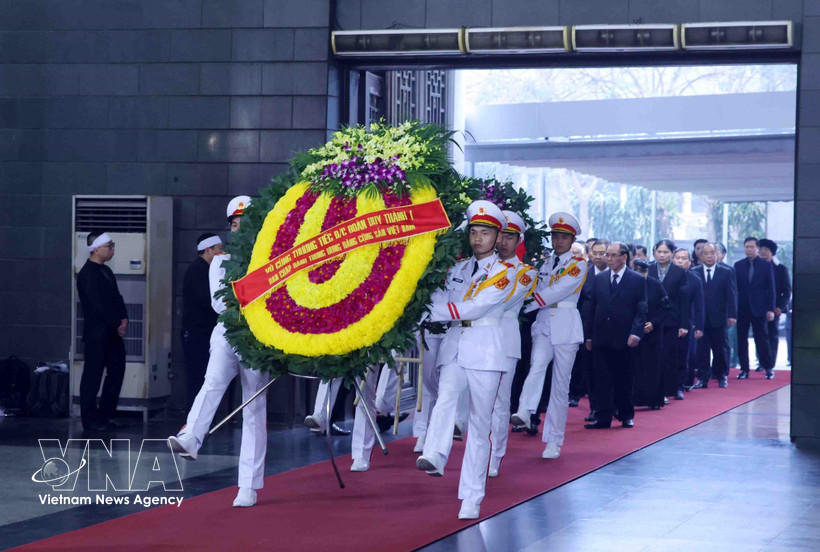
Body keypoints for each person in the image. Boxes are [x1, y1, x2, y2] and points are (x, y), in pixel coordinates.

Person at [416, 200, 516, 520]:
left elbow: (475, 307)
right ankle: (434, 454)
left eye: (485, 232)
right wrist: (430, 302)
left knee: (479, 424)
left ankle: (472, 495)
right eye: (474, 231)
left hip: (486, 350)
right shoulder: (457, 268)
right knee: (444, 397)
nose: (477, 238)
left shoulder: (505, 273)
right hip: (455, 345)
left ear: (497, 237)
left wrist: (432, 311)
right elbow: (440, 295)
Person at [169, 196, 271, 508]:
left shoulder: (268, 256)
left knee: (253, 407)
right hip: (227, 333)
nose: (239, 230)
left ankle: (248, 486)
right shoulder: (221, 262)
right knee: (211, 382)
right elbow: (219, 302)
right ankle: (192, 437)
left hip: (257, 337)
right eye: (235, 225)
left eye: (245, 224)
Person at [512, 212, 586, 460]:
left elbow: (555, 292)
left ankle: (554, 440)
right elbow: (536, 287)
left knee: (560, 387)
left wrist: (523, 307)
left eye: (564, 237)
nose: (558, 241)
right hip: (544, 323)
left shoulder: (579, 265)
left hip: (565, 324)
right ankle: (525, 410)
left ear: (572, 239)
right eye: (555, 236)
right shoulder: (543, 263)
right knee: (537, 365)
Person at [487, 210, 537, 476]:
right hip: (479, 340)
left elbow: (501, 302)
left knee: (500, 401)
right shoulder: (483, 266)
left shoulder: (525, 273)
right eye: (501, 235)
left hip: (505, 340)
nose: (504, 241)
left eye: (510, 236)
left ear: (519, 240)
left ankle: (496, 455)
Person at [583, 242, 646, 429]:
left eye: (611, 255)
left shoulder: (636, 279)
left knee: (624, 378)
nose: (607, 259)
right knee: (601, 378)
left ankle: (626, 414)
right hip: (601, 336)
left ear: (624, 257)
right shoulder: (599, 278)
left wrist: (636, 333)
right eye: (606, 255)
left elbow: (641, 309)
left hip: (625, 337)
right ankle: (603, 417)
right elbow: (591, 307)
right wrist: (589, 336)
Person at [76, 231, 128, 431]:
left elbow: (116, 297)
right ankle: (89, 419)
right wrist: (117, 323)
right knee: (93, 375)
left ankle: (106, 415)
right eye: (109, 246)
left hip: (113, 333)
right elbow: (98, 306)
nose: (113, 249)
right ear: (96, 248)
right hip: (97, 334)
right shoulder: (87, 274)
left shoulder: (106, 271)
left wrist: (124, 319)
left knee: (116, 372)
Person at [181, 233, 223, 410]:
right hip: (196, 333)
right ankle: (192, 419)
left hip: (204, 332)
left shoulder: (206, 269)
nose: (222, 253)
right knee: (197, 376)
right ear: (208, 250)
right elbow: (205, 300)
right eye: (219, 250)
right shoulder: (197, 270)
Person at [649, 239, 690, 401]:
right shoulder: (649, 269)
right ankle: (652, 390)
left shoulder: (679, 272)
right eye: (659, 251)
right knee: (653, 357)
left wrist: (684, 324)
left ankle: (671, 389)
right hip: (651, 320)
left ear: (672, 254)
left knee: (669, 357)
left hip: (672, 320)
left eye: (666, 252)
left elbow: (684, 300)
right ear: (654, 253)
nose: (662, 255)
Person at [691, 243, 737, 388]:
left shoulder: (726, 272)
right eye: (706, 253)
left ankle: (722, 375)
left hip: (719, 316)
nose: (710, 256)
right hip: (700, 318)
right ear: (700, 255)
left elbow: (731, 295)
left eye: (712, 253)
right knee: (702, 349)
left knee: (720, 348)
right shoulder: (694, 272)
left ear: (717, 255)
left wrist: (732, 315)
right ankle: (703, 378)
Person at [734, 237, 776, 380]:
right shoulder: (738, 265)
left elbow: (771, 289)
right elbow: (734, 289)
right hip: (742, 308)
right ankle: (744, 369)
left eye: (751, 247)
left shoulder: (765, 265)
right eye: (746, 247)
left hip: (759, 308)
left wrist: (770, 309)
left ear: (757, 248)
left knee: (762, 339)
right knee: (741, 339)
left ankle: (768, 368)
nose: (749, 249)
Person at [631, 259, 667, 409]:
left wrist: (653, 323)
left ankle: (654, 400)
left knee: (653, 366)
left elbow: (665, 308)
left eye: (643, 273)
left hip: (653, 331)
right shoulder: (629, 284)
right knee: (634, 367)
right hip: (633, 332)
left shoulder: (655, 285)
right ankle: (634, 399)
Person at [672, 249, 704, 391]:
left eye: (683, 258)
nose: (680, 261)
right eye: (677, 258)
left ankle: (683, 383)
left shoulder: (695, 279)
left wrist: (699, 326)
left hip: (687, 322)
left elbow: (699, 305)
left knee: (685, 354)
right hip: (667, 320)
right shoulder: (666, 276)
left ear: (690, 262)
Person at [758, 239, 791, 367]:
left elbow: (786, 291)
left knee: (772, 335)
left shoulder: (780, 269)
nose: (763, 253)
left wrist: (780, 307)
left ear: (772, 252)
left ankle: (770, 362)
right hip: (758, 307)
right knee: (760, 335)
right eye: (760, 251)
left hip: (775, 308)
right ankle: (761, 361)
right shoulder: (756, 268)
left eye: (765, 251)